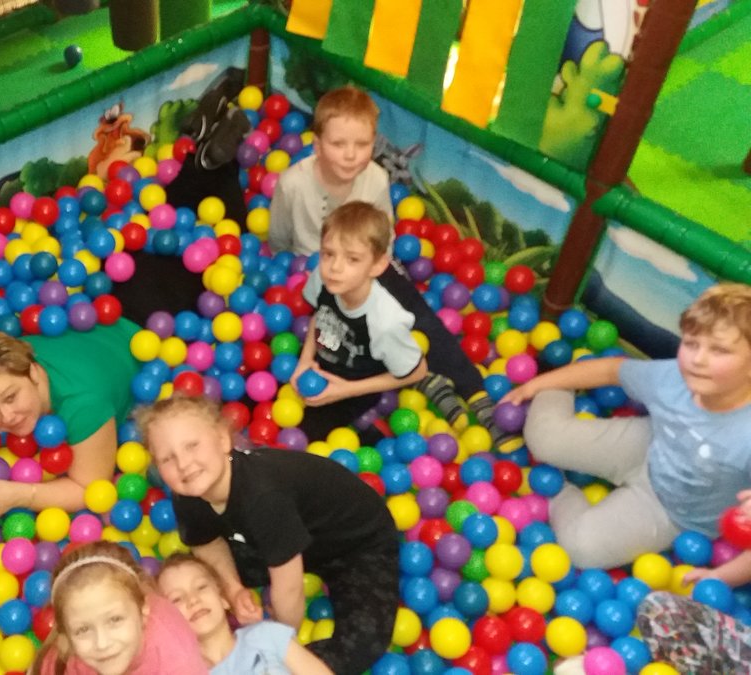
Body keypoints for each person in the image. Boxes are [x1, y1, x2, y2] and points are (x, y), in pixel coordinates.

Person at [267, 85, 516, 449]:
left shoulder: (376, 179)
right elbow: (279, 238)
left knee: (413, 311)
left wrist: (372, 271)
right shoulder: (293, 183)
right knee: (339, 334)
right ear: (317, 145)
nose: (351, 155)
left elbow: (383, 236)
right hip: (315, 268)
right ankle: (418, 377)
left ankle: (473, 391)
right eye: (338, 144)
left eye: (362, 144)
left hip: (369, 263)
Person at [139, 395, 399, 674]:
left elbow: (290, 588)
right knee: (199, 579)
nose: (183, 464)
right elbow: (207, 543)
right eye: (167, 458)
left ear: (223, 440)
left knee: (364, 641)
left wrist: (279, 641)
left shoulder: (263, 497)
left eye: (192, 445)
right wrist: (233, 589)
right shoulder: (189, 491)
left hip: (355, 546)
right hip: (283, 539)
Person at [501, 283, 751, 569]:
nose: (698, 360)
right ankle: (554, 380)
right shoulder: (672, 379)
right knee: (544, 438)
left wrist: (723, 574)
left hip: (672, 512)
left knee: (582, 549)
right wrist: (536, 384)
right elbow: (610, 371)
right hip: (647, 446)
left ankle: (558, 490)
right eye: (691, 343)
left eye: (719, 350)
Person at [0, 322, 140, 527]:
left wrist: (19, 495)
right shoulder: (11, 358)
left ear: (33, 372)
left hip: (138, 335)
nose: (7, 417)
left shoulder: (83, 405)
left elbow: (88, 490)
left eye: (10, 397)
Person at [289, 201, 429, 442]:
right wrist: (305, 361)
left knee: (302, 436)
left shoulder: (384, 322)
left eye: (352, 259)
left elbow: (418, 371)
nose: (335, 267)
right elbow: (320, 315)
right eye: (328, 254)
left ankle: (369, 424)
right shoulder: (323, 279)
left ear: (377, 265)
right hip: (323, 363)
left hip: (357, 385)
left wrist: (346, 390)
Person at [34, 541, 210, 675]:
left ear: (143, 611)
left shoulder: (178, 661)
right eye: (83, 630)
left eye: (115, 620)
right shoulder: (63, 660)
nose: (102, 643)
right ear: (65, 634)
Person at [156, 552, 333, 675]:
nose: (193, 599)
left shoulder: (265, 635)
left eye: (201, 587)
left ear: (223, 598)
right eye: (177, 599)